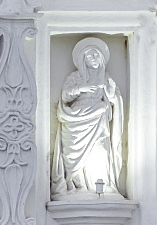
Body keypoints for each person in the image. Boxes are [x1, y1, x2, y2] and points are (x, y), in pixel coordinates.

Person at [51, 37, 124, 199]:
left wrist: (110, 90)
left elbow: (113, 99)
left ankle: (100, 184)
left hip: (98, 119)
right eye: (89, 56)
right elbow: (65, 96)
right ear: (83, 59)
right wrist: (81, 88)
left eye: (96, 55)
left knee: (100, 151)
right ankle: (78, 186)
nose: (93, 59)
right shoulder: (76, 77)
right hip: (77, 119)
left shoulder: (106, 77)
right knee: (73, 156)